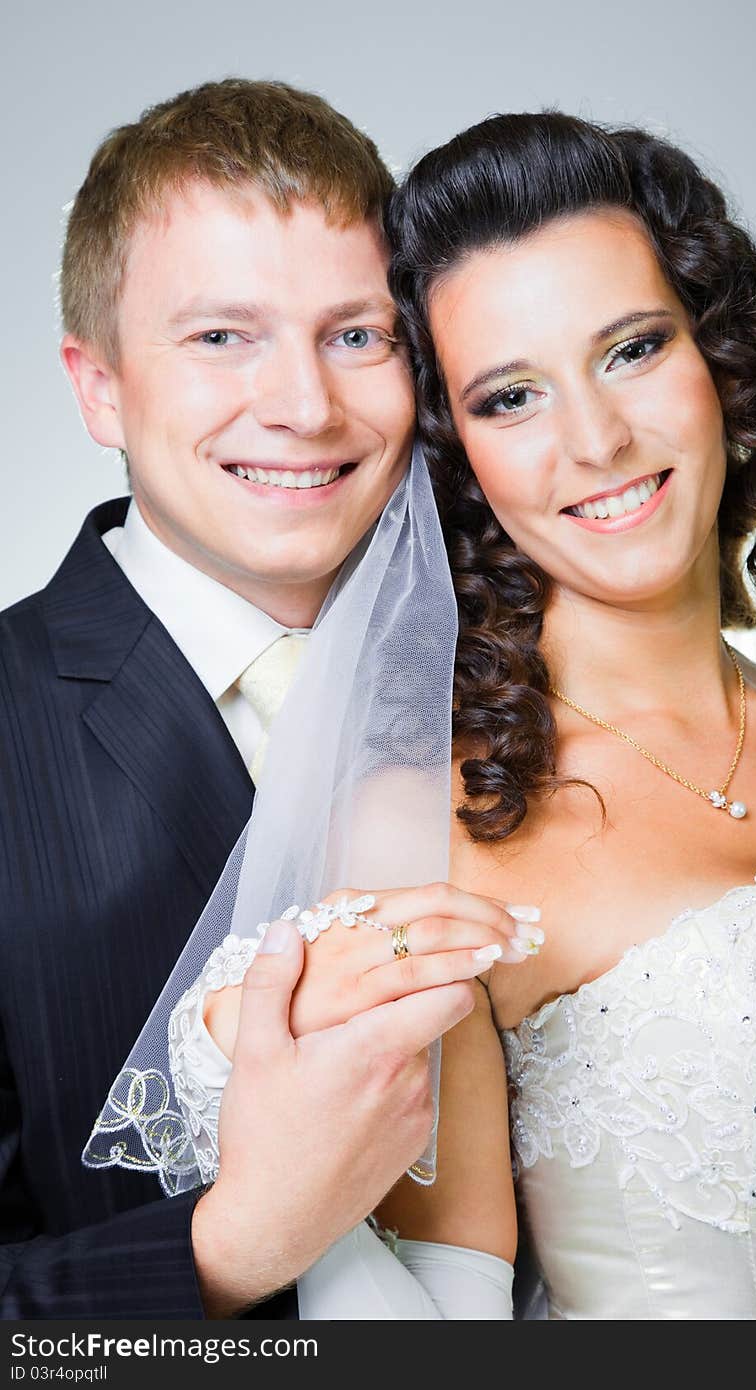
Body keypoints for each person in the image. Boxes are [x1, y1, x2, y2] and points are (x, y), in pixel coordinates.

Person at [173, 111, 756, 1319]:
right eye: (510, 398)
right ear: (454, 455)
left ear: (717, 353)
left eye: (632, 349)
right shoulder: (433, 833)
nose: (597, 442)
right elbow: (431, 1325)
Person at [0, 78, 538, 1320]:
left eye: (356, 334)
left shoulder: (528, 682)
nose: (305, 405)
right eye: (220, 337)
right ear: (100, 388)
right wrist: (234, 1243)